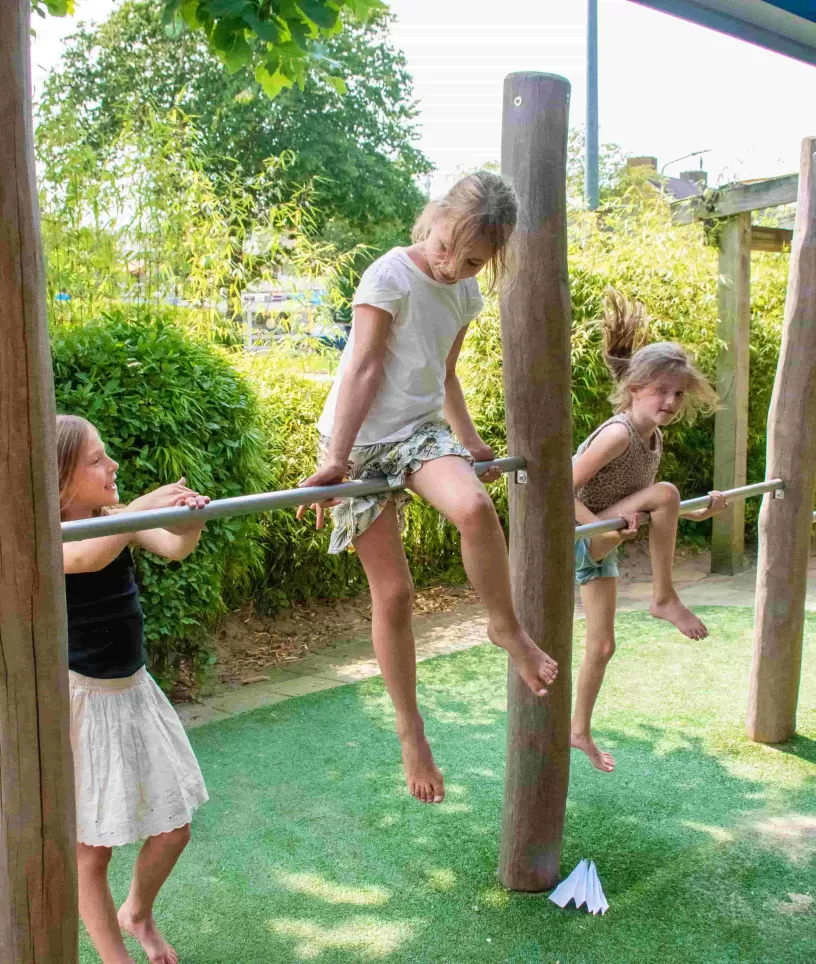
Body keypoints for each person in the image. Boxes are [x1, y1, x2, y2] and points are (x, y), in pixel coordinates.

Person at [297, 171, 558, 805]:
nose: (450, 266)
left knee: (473, 504)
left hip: (416, 432)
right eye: (446, 248)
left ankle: (504, 627)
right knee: (394, 595)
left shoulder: (465, 292)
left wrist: (467, 441)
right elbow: (363, 367)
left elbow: (444, 373)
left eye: (471, 260)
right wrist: (336, 459)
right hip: (359, 438)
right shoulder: (389, 275)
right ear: (434, 217)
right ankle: (411, 731)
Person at [58, 414, 210, 964]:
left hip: (134, 691)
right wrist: (144, 504)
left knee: (174, 829)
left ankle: (137, 912)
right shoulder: (53, 535)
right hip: (85, 703)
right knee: (90, 852)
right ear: (59, 481)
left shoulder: (111, 517)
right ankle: (114, 957)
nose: (112, 464)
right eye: (96, 460)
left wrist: (186, 520)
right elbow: (90, 556)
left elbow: (174, 548)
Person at [571, 291, 726, 773]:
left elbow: (654, 506)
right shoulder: (618, 433)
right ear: (635, 387)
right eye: (661, 390)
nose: (672, 401)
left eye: (679, 393)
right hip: (578, 534)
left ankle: (578, 731)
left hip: (604, 538)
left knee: (602, 646)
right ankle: (664, 596)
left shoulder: (651, 436)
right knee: (667, 490)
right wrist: (597, 531)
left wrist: (695, 514)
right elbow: (557, 489)